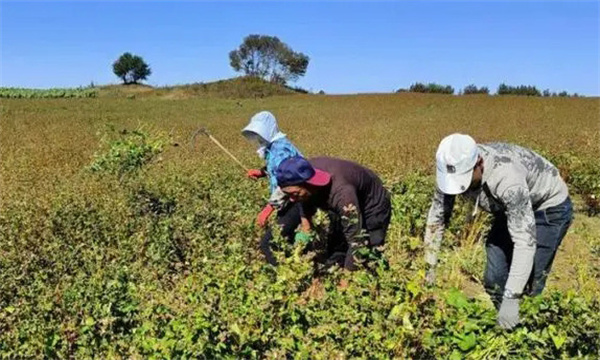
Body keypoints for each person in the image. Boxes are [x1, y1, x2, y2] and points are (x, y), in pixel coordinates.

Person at [424, 133, 572, 330]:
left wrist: (512, 296)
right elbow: (437, 220)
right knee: (494, 278)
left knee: (530, 284)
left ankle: (526, 334)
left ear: (479, 164)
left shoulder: (507, 179)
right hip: (506, 207)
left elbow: (524, 241)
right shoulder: (449, 172)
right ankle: (509, 326)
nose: (461, 188)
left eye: (466, 179)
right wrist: (430, 268)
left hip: (547, 208)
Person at [276, 156, 392, 271]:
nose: (291, 199)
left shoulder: (342, 194)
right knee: (338, 243)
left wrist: (348, 278)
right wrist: (306, 223)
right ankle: (336, 269)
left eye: (294, 194)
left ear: (309, 184)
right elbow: (302, 197)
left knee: (368, 249)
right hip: (345, 198)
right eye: (287, 194)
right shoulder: (302, 170)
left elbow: (357, 241)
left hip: (373, 204)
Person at [241, 111, 303, 265]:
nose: (258, 138)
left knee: (268, 243)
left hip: (296, 201)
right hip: (290, 201)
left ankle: (284, 276)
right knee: (285, 240)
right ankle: (295, 269)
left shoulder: (280, 149)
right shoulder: (275, 147)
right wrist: (261, 172)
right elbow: (278, 169)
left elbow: (288, 182)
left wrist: (267, 210)